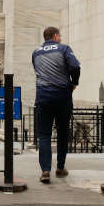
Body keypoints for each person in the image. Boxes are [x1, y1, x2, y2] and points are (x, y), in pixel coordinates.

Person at [32, 26, 80, 183]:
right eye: (60, 36)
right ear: (55, 36)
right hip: (62, 95)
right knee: (62, 132)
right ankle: (60, 167)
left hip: (43, 96)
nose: (61, 38)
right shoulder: (64, 49)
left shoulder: (36, 52)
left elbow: (38, 71)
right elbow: (75, 66)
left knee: (44, 134)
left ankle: (45, 171)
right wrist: (74, 83)